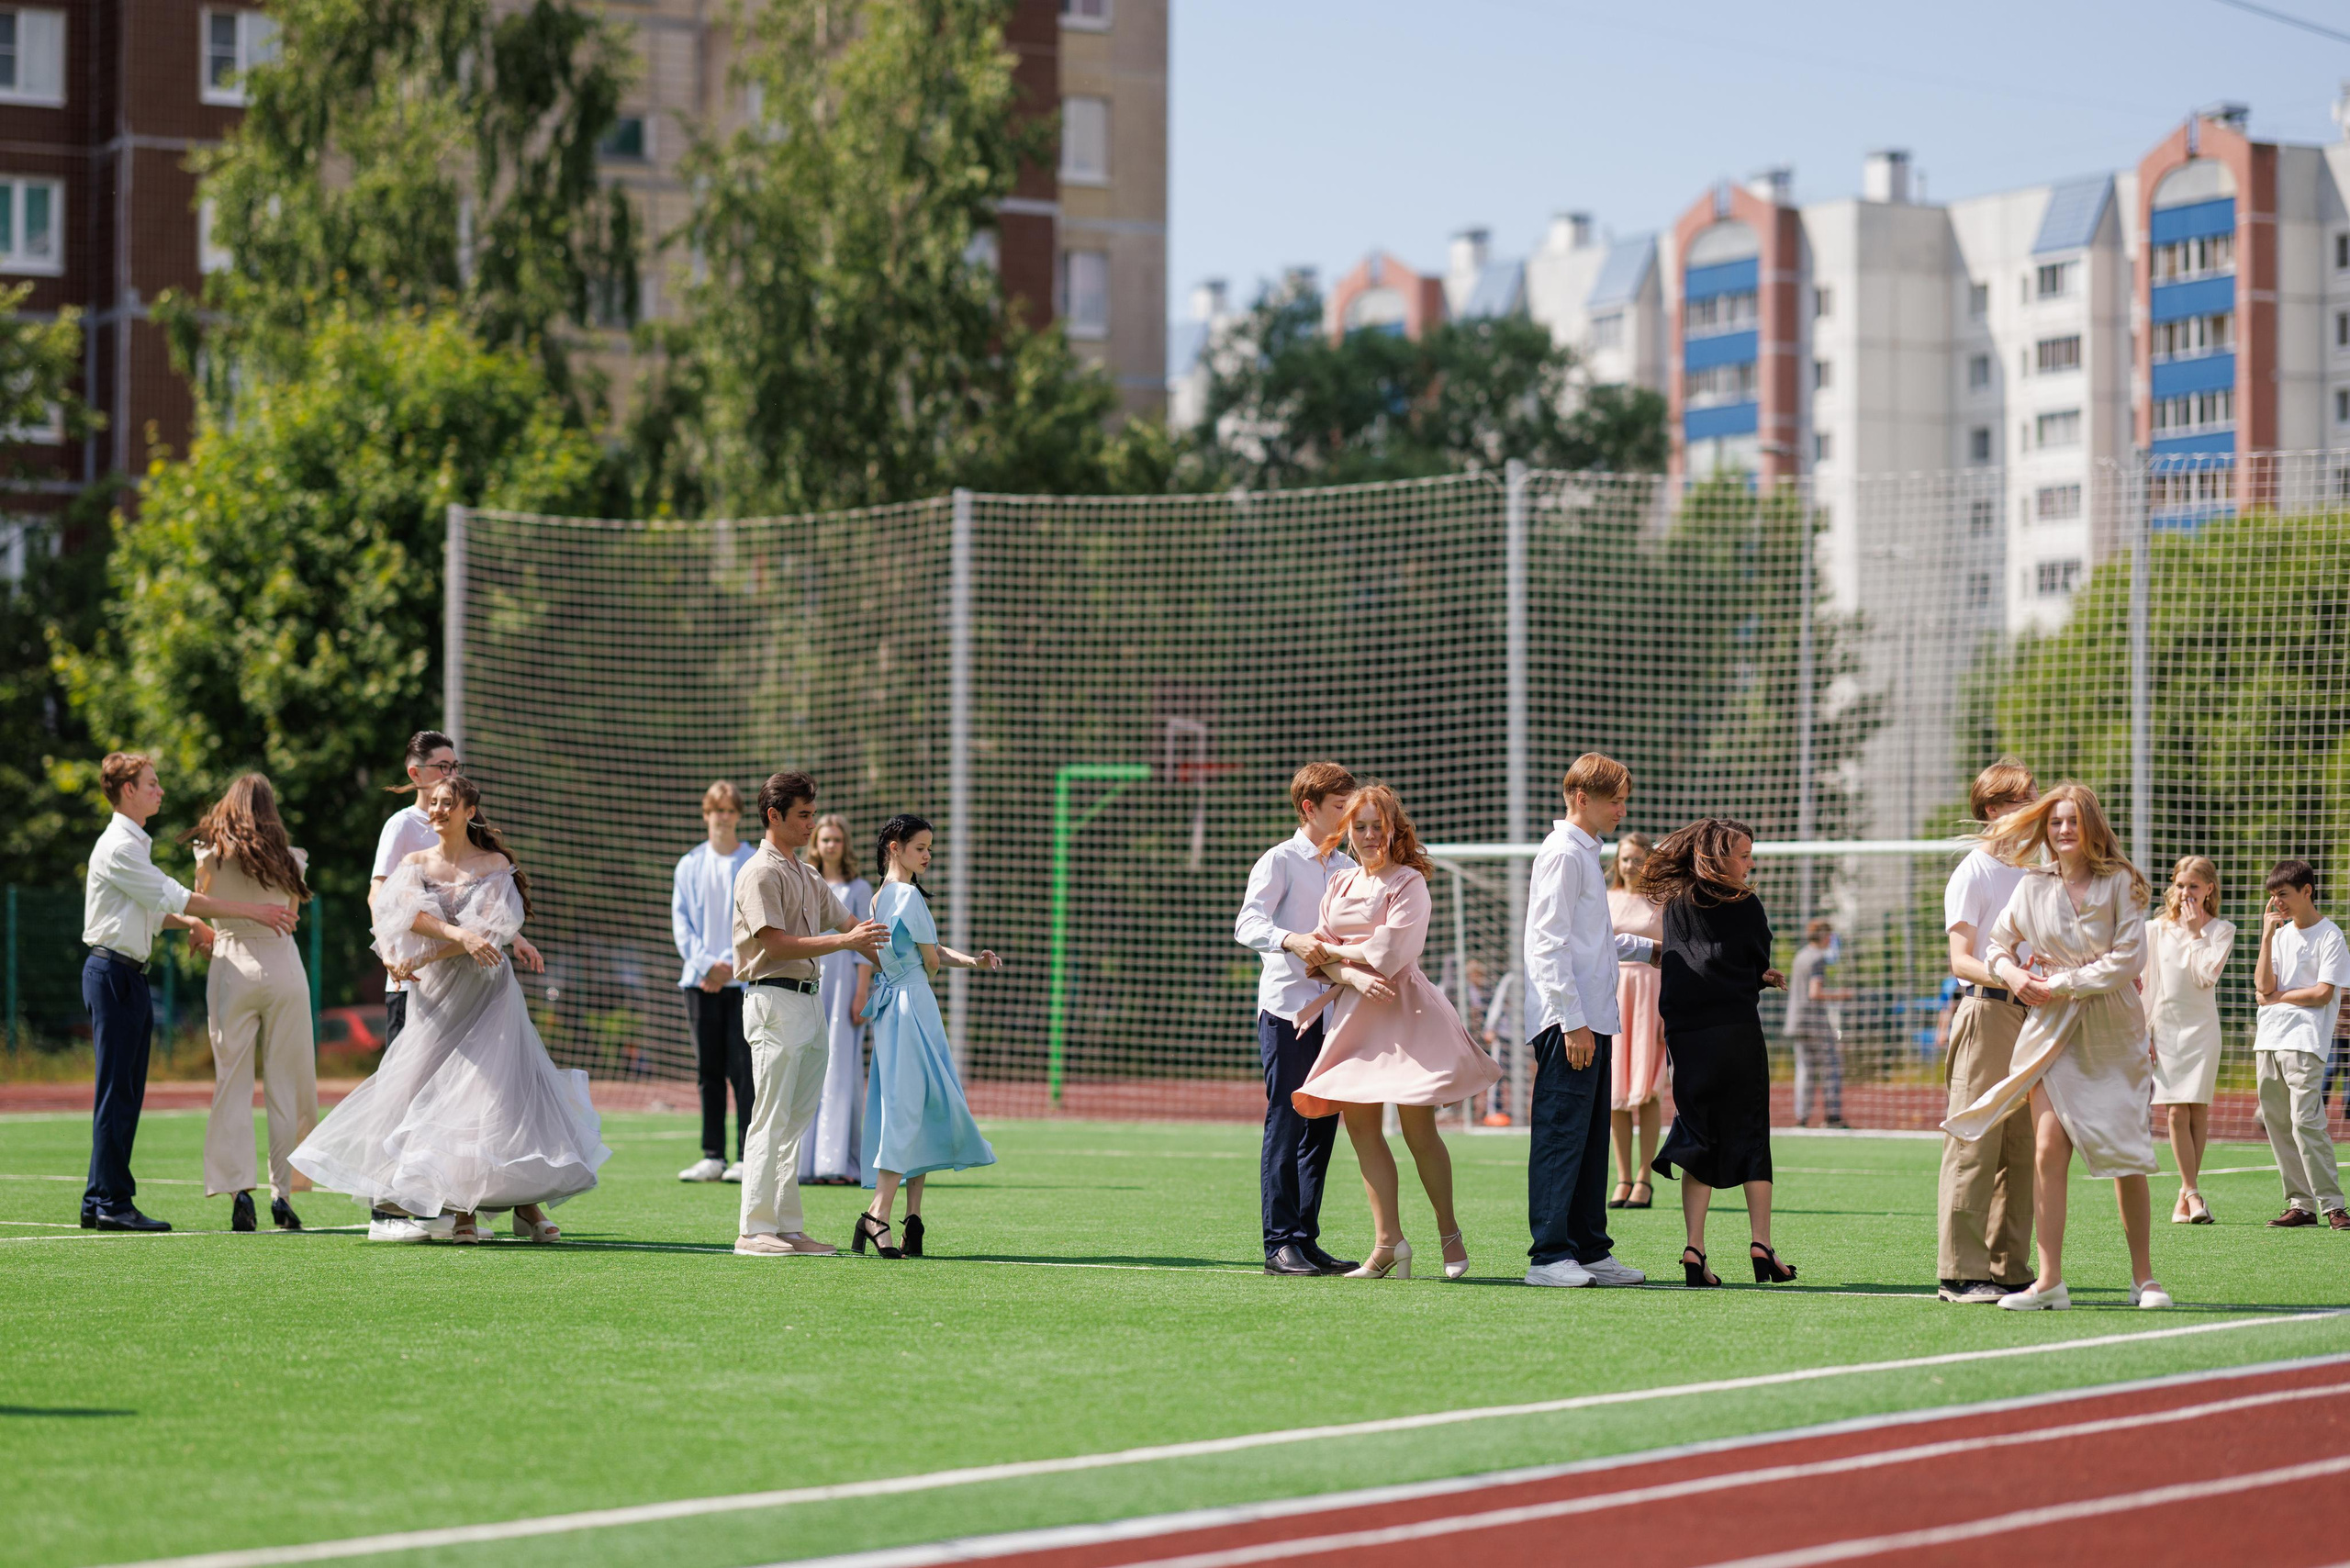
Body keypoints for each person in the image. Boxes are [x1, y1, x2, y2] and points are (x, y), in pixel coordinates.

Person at [292, 776, 604, 1242]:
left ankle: (510, 1207)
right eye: (433, 803)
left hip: (489, 990)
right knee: (432, 1094)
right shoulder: (415, 863)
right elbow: (405, 917)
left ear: (469, 811)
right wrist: (448, 940)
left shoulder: (495, 864)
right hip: (436, 995)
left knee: (497, 1095)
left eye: (447, 803)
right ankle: (459, 1207)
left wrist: (465, 943)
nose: (436, 810)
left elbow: (489, 930)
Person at [1945, 784, 2170, 1310]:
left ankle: (2144, 1280)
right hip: (2048, 1029)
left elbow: (2128, 960)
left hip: (2111, 1029)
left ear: (2092, 826)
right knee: (2046, 1149)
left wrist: (2062, 983)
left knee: (2126, 1153)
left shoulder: (2121, 882)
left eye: (2073, 821)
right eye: (2055, 822)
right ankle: (2048, 1282)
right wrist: (2013, 975)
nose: (2064, 830)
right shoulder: (2033, 885)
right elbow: (1997, 945)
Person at [80, 753, 299, 1232]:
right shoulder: (120, 846)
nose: (160, 791)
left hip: (125, 973)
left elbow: (154, 909)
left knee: (123, 1091)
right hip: (114, 972)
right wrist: (253, 912)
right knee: (118, 1093)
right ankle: (112, 1201)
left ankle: (99, 1198)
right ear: (128, 790)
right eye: (151, 784)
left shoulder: (132, 844)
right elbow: (176, 896)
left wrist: (192, 924)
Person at [1292, 783, 1498, 1281]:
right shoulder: (1339, 883)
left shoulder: (1409, 882)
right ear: (1348, 831)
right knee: (1361, 1130)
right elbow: (1316, 955)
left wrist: (1337, 953)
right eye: (1359, 827)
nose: (1368, 835)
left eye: (1377, 826)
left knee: (1418, 1130)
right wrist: (1350, 975)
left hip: (1407, 1015)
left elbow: (1389, 953)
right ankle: (1388, 1245)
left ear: (1393, 829)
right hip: (1354, 1018)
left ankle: (1449, 1234)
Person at [366, 731, 540, 1242]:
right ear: (416, 773)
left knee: (488, 1092)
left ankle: (486, 1205)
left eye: (454, 768)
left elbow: (487, 919)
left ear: (467, 807)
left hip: (480, 985)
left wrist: (513, 937)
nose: (448, 777)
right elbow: (388, 902)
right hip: (427, 985)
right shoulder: (404, 829)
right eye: (442, 768)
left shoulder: (487, 856)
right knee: (412, 1088)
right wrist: (398, 953)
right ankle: (390, 1209)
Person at [729, 771, 887, 1259]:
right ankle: (753, 1230)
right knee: (770, 1118)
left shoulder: (807, 873)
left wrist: (921, 962)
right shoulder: (760, 872)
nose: (811, 824)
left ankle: (787, 1228)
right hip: (773, 1001)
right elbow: (775, 945)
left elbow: (856, 927)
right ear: (774, 816)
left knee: (795, 1122)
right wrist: (847, 942)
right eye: (803, 815)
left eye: (813, 814)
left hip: (809, 1002)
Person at [1636, 818, 1795, 1288]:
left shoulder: (1676, 905)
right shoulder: (1745, 903)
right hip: (1736, 1029)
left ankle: (1695, 1248)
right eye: (1744, 855)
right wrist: (1759, 976)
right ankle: (1761, 1244)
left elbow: (1695, 964)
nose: (1751, 864)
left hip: (1686, 1034)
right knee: (1751, 1131)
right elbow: (1751, 957)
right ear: (1721, 857)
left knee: (1697, 1131)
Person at [1520, 754, 1657, 1290]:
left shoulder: (1585, 853)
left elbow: (1593, 939)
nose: (1623, 810)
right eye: (1614, 800)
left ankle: (1590, 1249)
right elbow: (1546, 943)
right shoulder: (1562, 854)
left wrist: (1652, 951)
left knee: (1591, 1140)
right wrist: (1571, 1020)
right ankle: (1548, 1256)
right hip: (1569, 1023)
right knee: (1561, 1138)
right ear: (1582, 798)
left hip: (1593, 1020)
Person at [1234, 761, 1360, 1277]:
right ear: (1309, 808)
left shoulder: (1349, 867)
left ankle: (1306, 1239)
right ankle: (1280, 1243)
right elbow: (1247, 922)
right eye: (1340, 808)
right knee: (1287, 1124)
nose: (1350, 818)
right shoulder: (1279, 860)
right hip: (1287, 1011)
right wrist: (1291, 939)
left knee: (1322, 1128)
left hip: (1336, 1015)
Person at [855, 814, 1001, 1258]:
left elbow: (923, 953)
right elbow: (931, 962)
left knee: (914, 1106)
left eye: (929, 848)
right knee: (911, 1107)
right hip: (913, 1006)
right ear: (895, 847)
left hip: (896, 1007)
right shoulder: (908, 896)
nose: (928, 855)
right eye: (920, 847)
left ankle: (912, 1221)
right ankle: (877, 1214)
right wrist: (937, 965)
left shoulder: (879, 897)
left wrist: (972, 961)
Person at [187, 774, 319, 1232]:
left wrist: (206, 935)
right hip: (283, 967)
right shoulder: (292, 860)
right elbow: (290, 918)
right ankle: (284, 1195)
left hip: (232, 965)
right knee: (288, 1086)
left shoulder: (209, 856)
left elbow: (201, 906)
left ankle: (239, 1191)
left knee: (232, 1083)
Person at [1935, 758, 2040, 1305]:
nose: (2036, 806)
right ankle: (1959, 1272)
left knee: (2022, 1147)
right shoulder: (1973, 872)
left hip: (2033, 1016)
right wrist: (2011, 975)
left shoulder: (2036, 871)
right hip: (1988, 1011)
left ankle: (2008, 1267)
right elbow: (1960, 960)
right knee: (1974, 1141)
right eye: (2025, 798)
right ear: (1994, 809)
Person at [2251, 859, 2350, 1230]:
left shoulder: (2330, 935)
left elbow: (2322, 994)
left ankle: (2333, 1206)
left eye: (2283, 894)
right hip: (2268, 1039)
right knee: (2278, 1124)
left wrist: (2278, 997)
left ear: (2307, 891)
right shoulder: (2279, 936)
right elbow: (2262, 986)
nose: (2277, 902)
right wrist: (2266, 938)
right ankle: (2301, 1205)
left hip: (2305, 1040)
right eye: (2273, 896)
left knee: (2306, 1121)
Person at [671, 781, 756, 1183]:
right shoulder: (689, 864)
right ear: (706, 814)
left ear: (739, 815)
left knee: (744, 1069)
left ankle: (746, 1155)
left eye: (730, 810)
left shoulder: (752, 861)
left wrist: (732, 967)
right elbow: (682, 924)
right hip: (700, 983)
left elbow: (759, 919)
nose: (723, 817)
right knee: (708, 1069)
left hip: (744, 982)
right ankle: (712, 1156)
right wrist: (707, 966)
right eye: (716, 810)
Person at [2145, 855, 2232, 1225]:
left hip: (2202, 1031)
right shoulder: (2155, 929)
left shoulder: (2222, 930)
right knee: (2175, 1111)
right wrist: (2144, 1032)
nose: (2185, 893)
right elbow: (2147, 984)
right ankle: (2193, 1193)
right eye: (2180, 885)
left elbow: (2205, 977)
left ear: (2209, 888)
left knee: (2197, 1110)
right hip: (2165, 1029)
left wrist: (2197, 933)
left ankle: (2187, 1195)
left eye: (2193, 886)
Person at [803, 812, 874, 1186]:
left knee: (840, 1069)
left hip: (845, 985)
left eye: (836, 839)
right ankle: (805, 1162)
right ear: (815, 844)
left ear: (845, 844)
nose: (830, 845)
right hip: (811, 980)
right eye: (824, 839)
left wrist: (861, 991)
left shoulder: (858, 888)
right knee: (807, 1067)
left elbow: (865, 944)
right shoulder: (805, 881)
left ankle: (838, 1161)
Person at [1606, 831, 1664, 1206]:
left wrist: (1667, 1011)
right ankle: (1623, 1177)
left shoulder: (1663, 901)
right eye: (1625, 858)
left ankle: (1645, 1177)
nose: (1631, 866)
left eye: (1638, 859)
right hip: (1611, 994)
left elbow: (1674, 956)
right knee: (1615, 1092)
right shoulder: (1603, 898)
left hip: (1651, 997)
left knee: (1646, 1088)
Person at [1786, 920, 1853, 1130]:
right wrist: (1841, 995)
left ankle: (1802, 1117)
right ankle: (1832, 1116)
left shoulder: (1800, 956)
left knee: (1804, 1069)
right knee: (1831, 1066)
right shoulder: (1817, 958)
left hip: (1796, 1020)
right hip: (1814, 1021)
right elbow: (1815, 993)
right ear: (1824, 936)